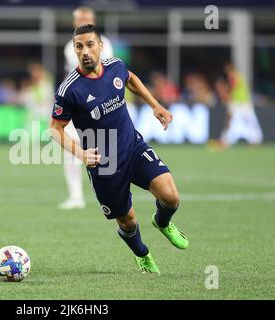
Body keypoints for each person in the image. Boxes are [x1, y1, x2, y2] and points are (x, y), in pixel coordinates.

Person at [50, 24, 188, 274]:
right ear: (74, 50)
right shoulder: (69, 90)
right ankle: (142, 254)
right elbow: (55, 129)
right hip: (105, 164)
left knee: (171, 197)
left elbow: (130, 79)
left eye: (90, 44)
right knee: (127, 220)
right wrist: (81, 154)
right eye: (79, 46)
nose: (85, 51)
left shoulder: (115, 66)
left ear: (100, 46)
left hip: (133, 148)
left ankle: (162, 222)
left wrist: (155, 105)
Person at [60, 6, 114, 210]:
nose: (83, 20)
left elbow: (99, 71)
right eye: (80, 18)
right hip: (77, 105)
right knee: (71, 149)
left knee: (107, 151)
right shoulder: (69, 47)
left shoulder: (104, 44)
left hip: (103, 104)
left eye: (87, 17)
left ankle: (111, 194)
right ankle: (75, 196)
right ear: (74, 22)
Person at [218, 62, 263, 148]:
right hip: (242, 101)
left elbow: (233, 86)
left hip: (240, 102)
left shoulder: (233, 76)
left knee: (235, 120)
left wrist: (224, 91)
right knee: (248, 120)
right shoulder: (239, 75)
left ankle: (225, 141)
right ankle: (255, 140)